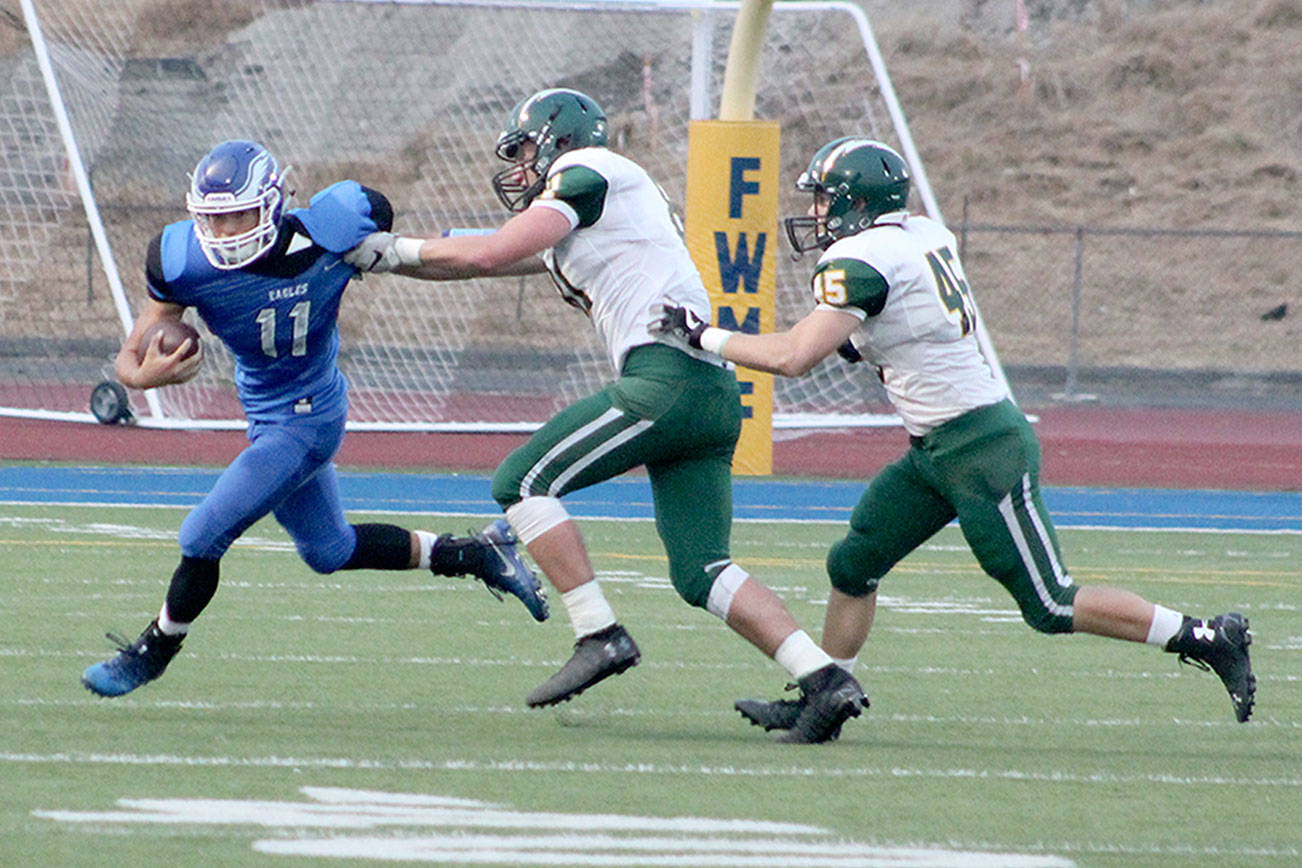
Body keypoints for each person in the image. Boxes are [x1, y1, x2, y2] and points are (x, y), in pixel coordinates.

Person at [650, 136, 1256, 726]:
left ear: (856, 202)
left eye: (825, 198)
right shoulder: (922, 234)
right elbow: (886, 332)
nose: (816, 212)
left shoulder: (862, 260)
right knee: (854, 564)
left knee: (1049, 602)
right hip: (935, 450)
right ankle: (826, 696)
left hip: (982, 446)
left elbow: (794, 357)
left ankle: (1207, 636)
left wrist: (704, 335)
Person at [346, 88, 866, 743]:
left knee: (521, 480)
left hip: (667, 380)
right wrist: (379, 258)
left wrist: (392, 248)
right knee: (702, 570)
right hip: (707, 392)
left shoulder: (587, 170)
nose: (522, 165)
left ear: (560, 141)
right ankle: (823, 679)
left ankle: (599, 632)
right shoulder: (596, 208)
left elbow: (487, 253)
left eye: (527, 149)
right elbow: (472, 260)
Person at [81, 139, 548, 700]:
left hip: (309, 417)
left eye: (237, 215)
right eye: (213, 218)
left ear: (273, 203)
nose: (224, 231)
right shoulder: (180, 257)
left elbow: (445, 255)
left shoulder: (331, 232)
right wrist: (145, 376)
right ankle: (475, 554)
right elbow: (131, 356)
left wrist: (553, 253)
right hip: (264, 410)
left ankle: (153, 650)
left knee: (201, 535)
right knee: (330, 551)